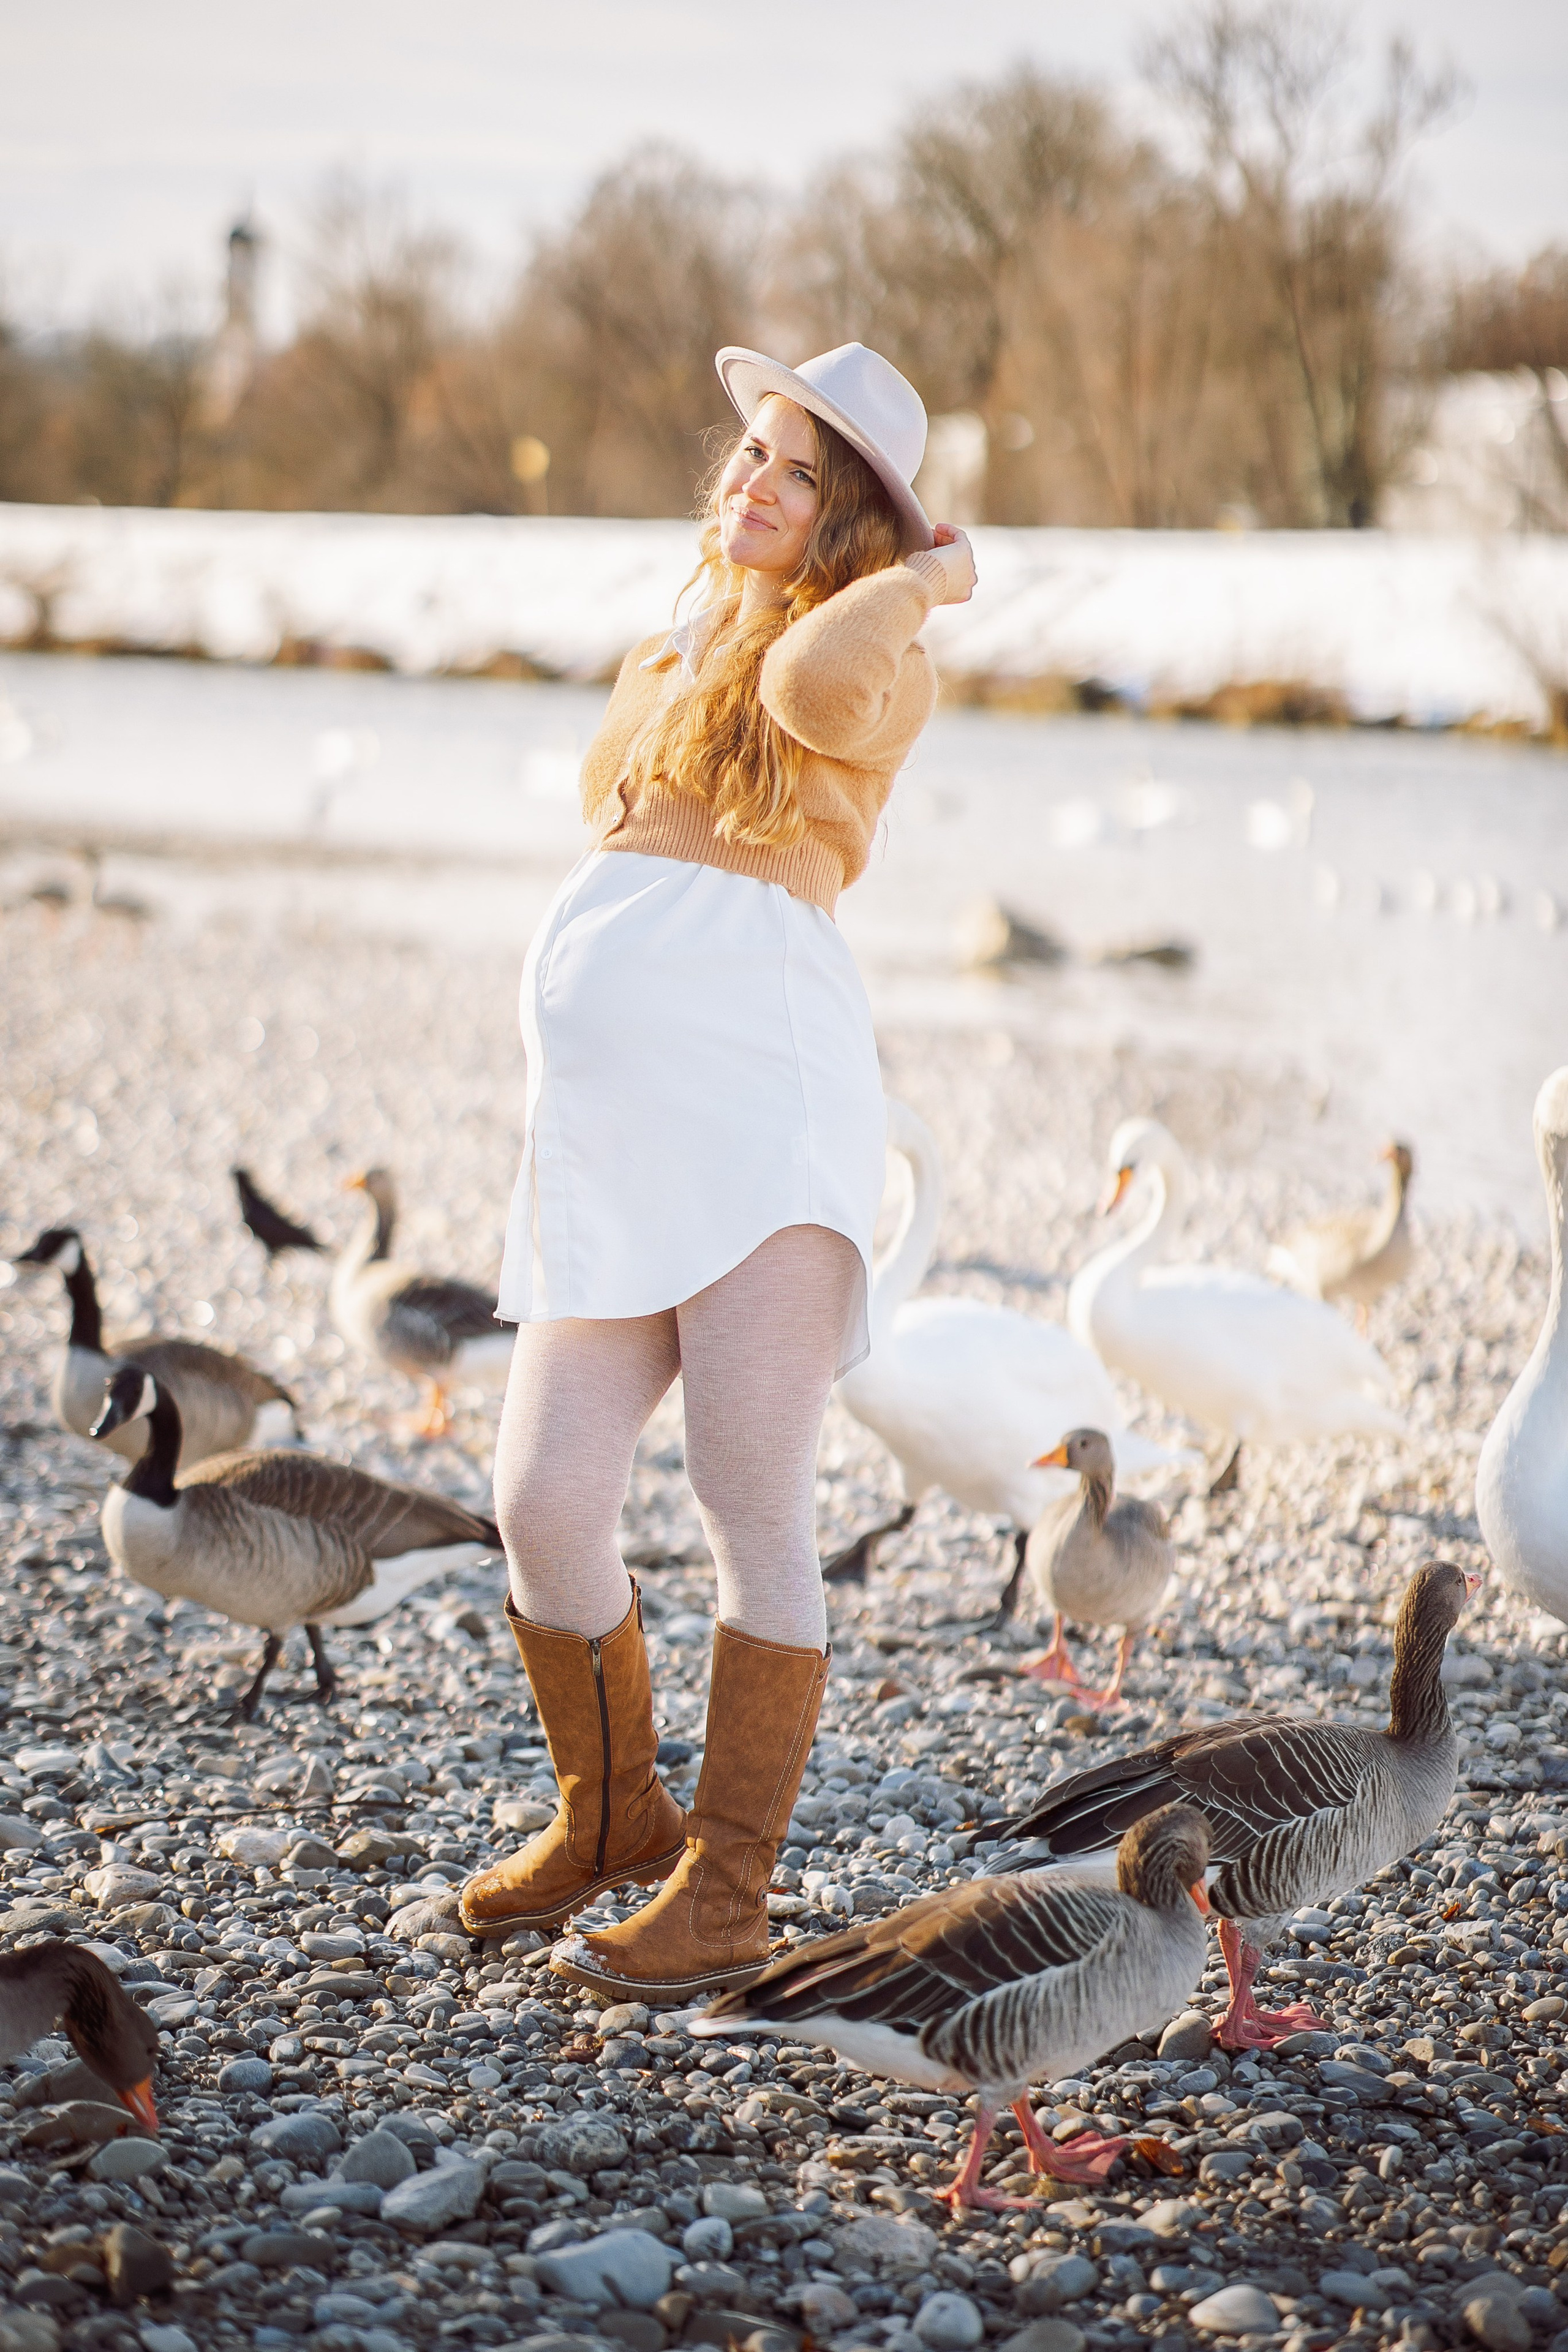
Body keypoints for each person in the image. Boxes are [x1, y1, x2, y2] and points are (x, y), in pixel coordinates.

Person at [459, 341, 976, 2001]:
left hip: (764, 1119)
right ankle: (610, 1817)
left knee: (750, 1504)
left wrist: (924, 579)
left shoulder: (874, 656)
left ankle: (729, 1894)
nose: (749, 486)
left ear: (860, 532)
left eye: (797, 475)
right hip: (614, 1144)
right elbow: (609, 792)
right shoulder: (682, 642)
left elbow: (812, 698)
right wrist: (711, 617)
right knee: (541, 1499)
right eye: (747, 455)